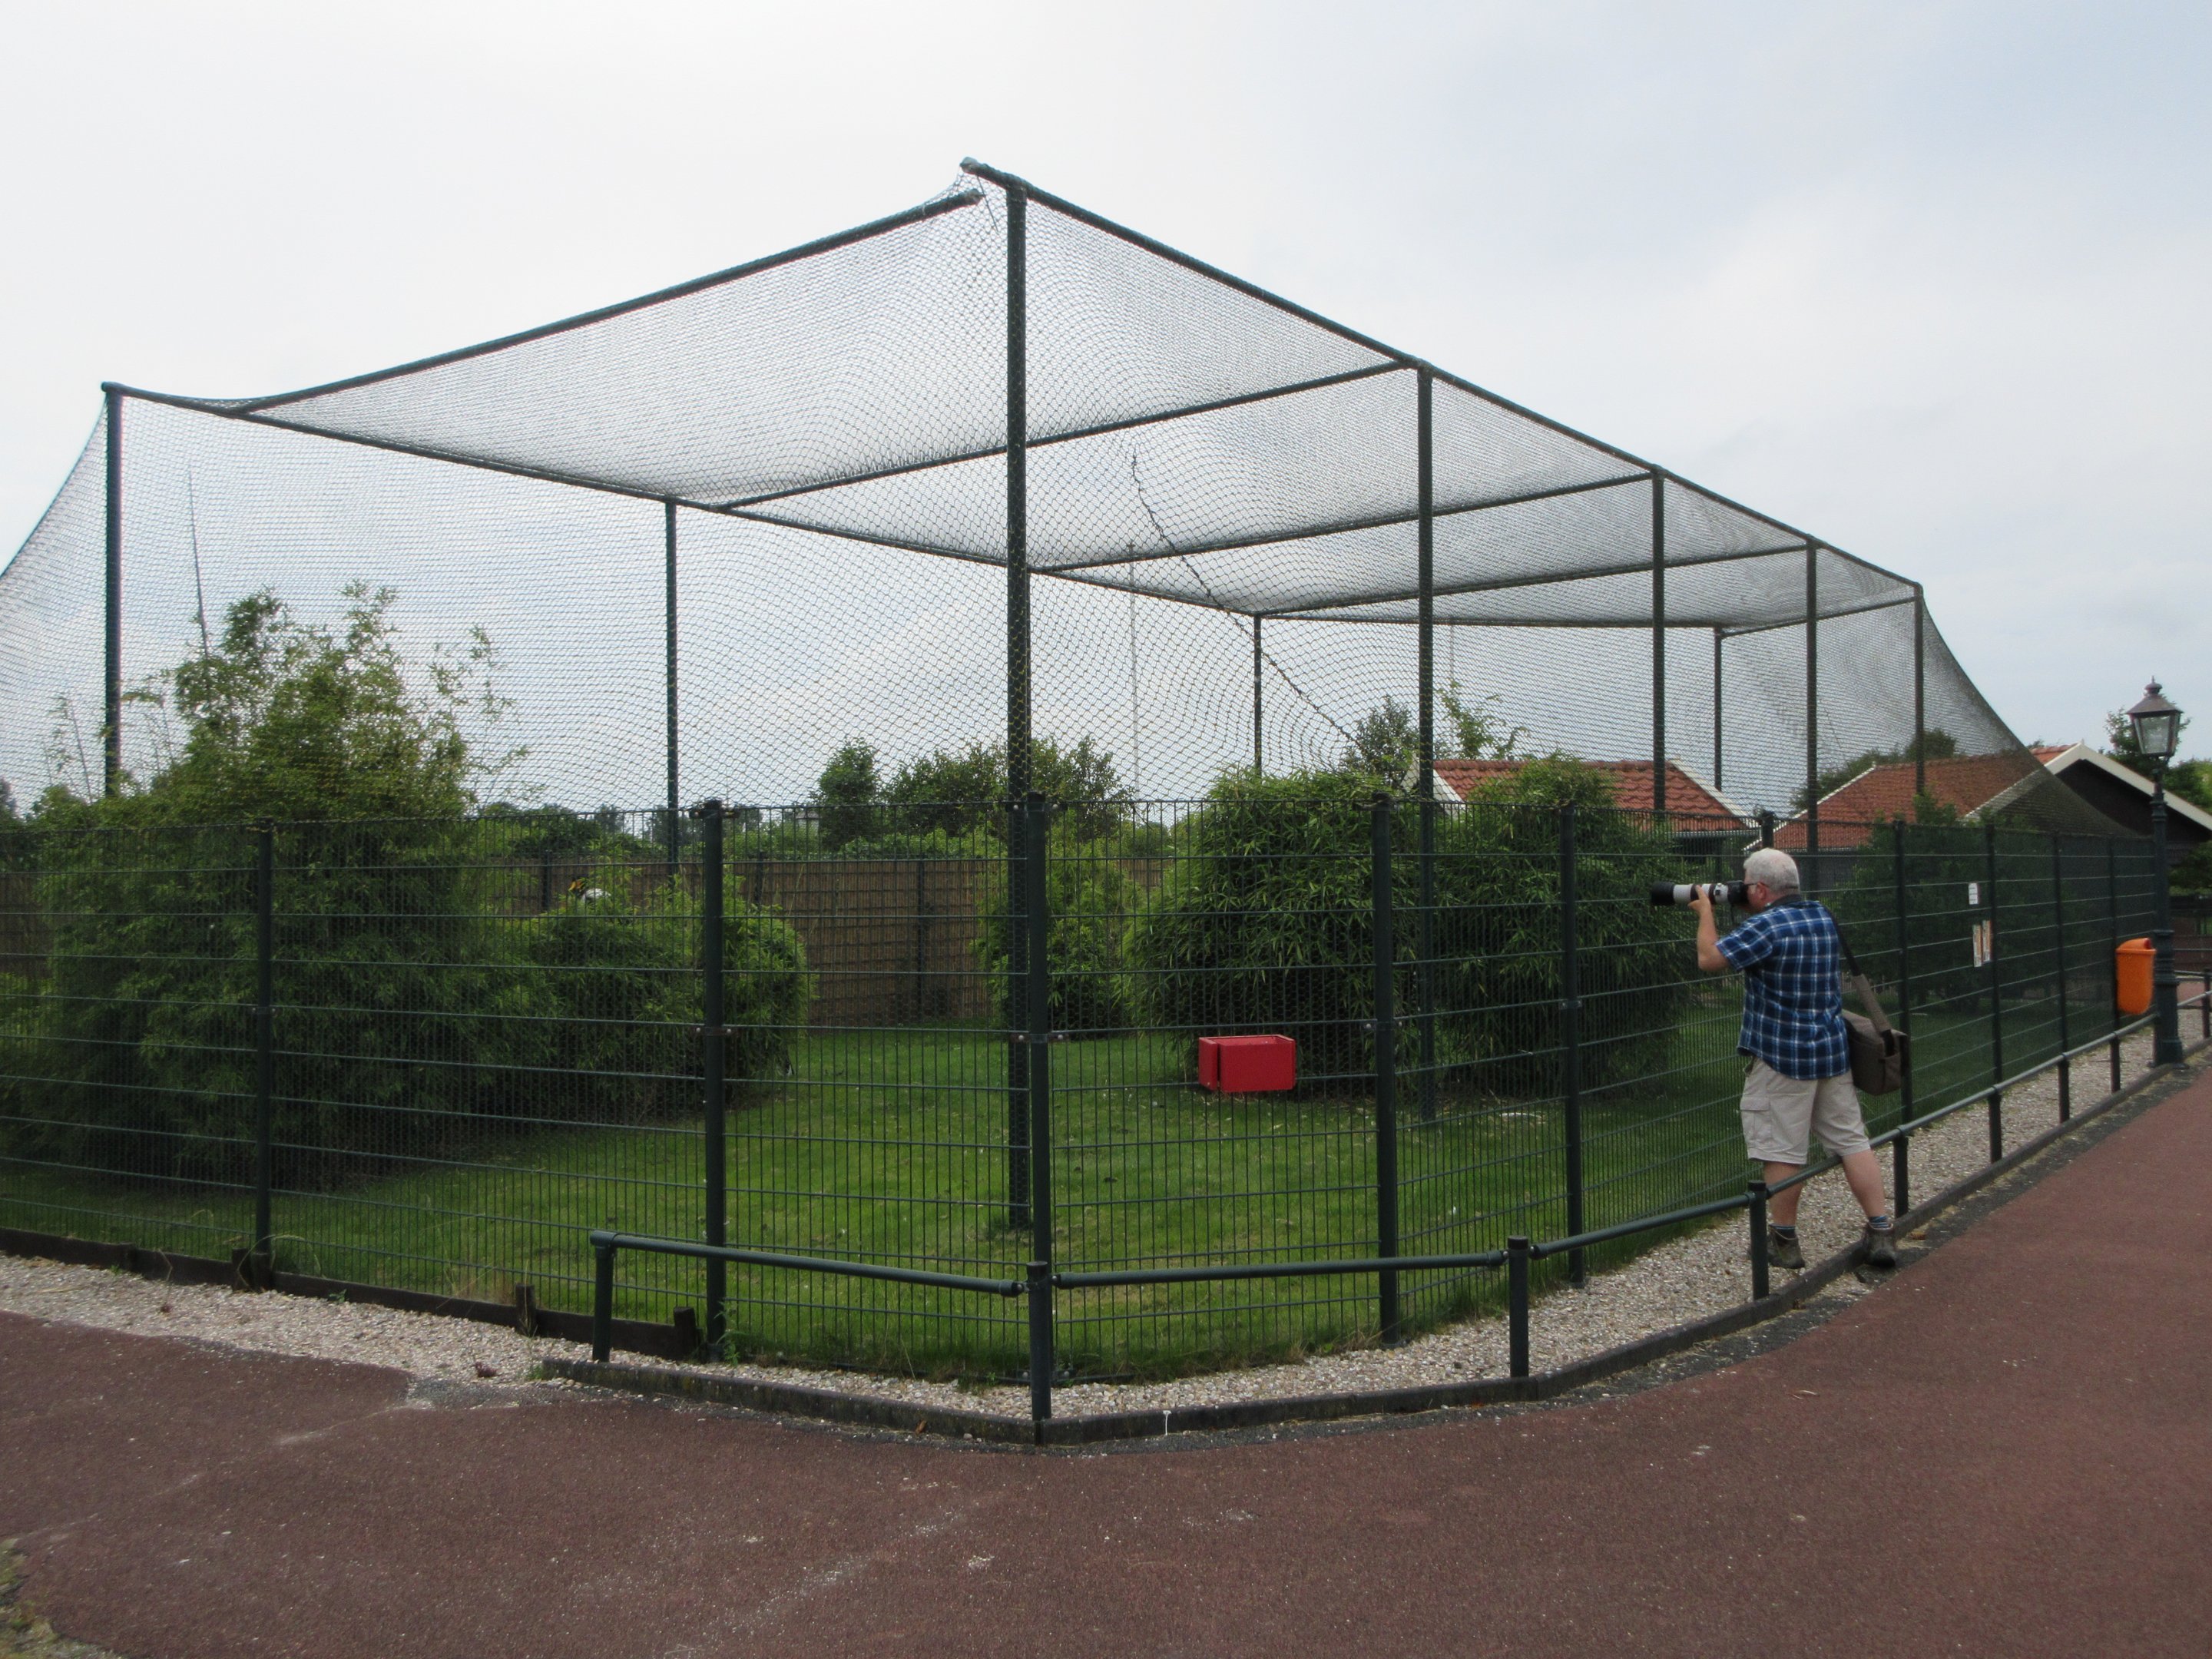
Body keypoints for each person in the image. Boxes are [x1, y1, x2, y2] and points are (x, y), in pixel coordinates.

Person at [1690, 847, 1897, 1273]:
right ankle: (1880, 1230)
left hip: (1781, 1057)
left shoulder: (1767, 925)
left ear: (1761, 890)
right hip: (1831, 1052)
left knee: (1782, 1149)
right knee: (1852, 1141)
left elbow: (1709, 960)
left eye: (1746, 885)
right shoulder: (1821, 915)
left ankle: (1783, 1240)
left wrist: (1705, 910)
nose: (1742, 892)